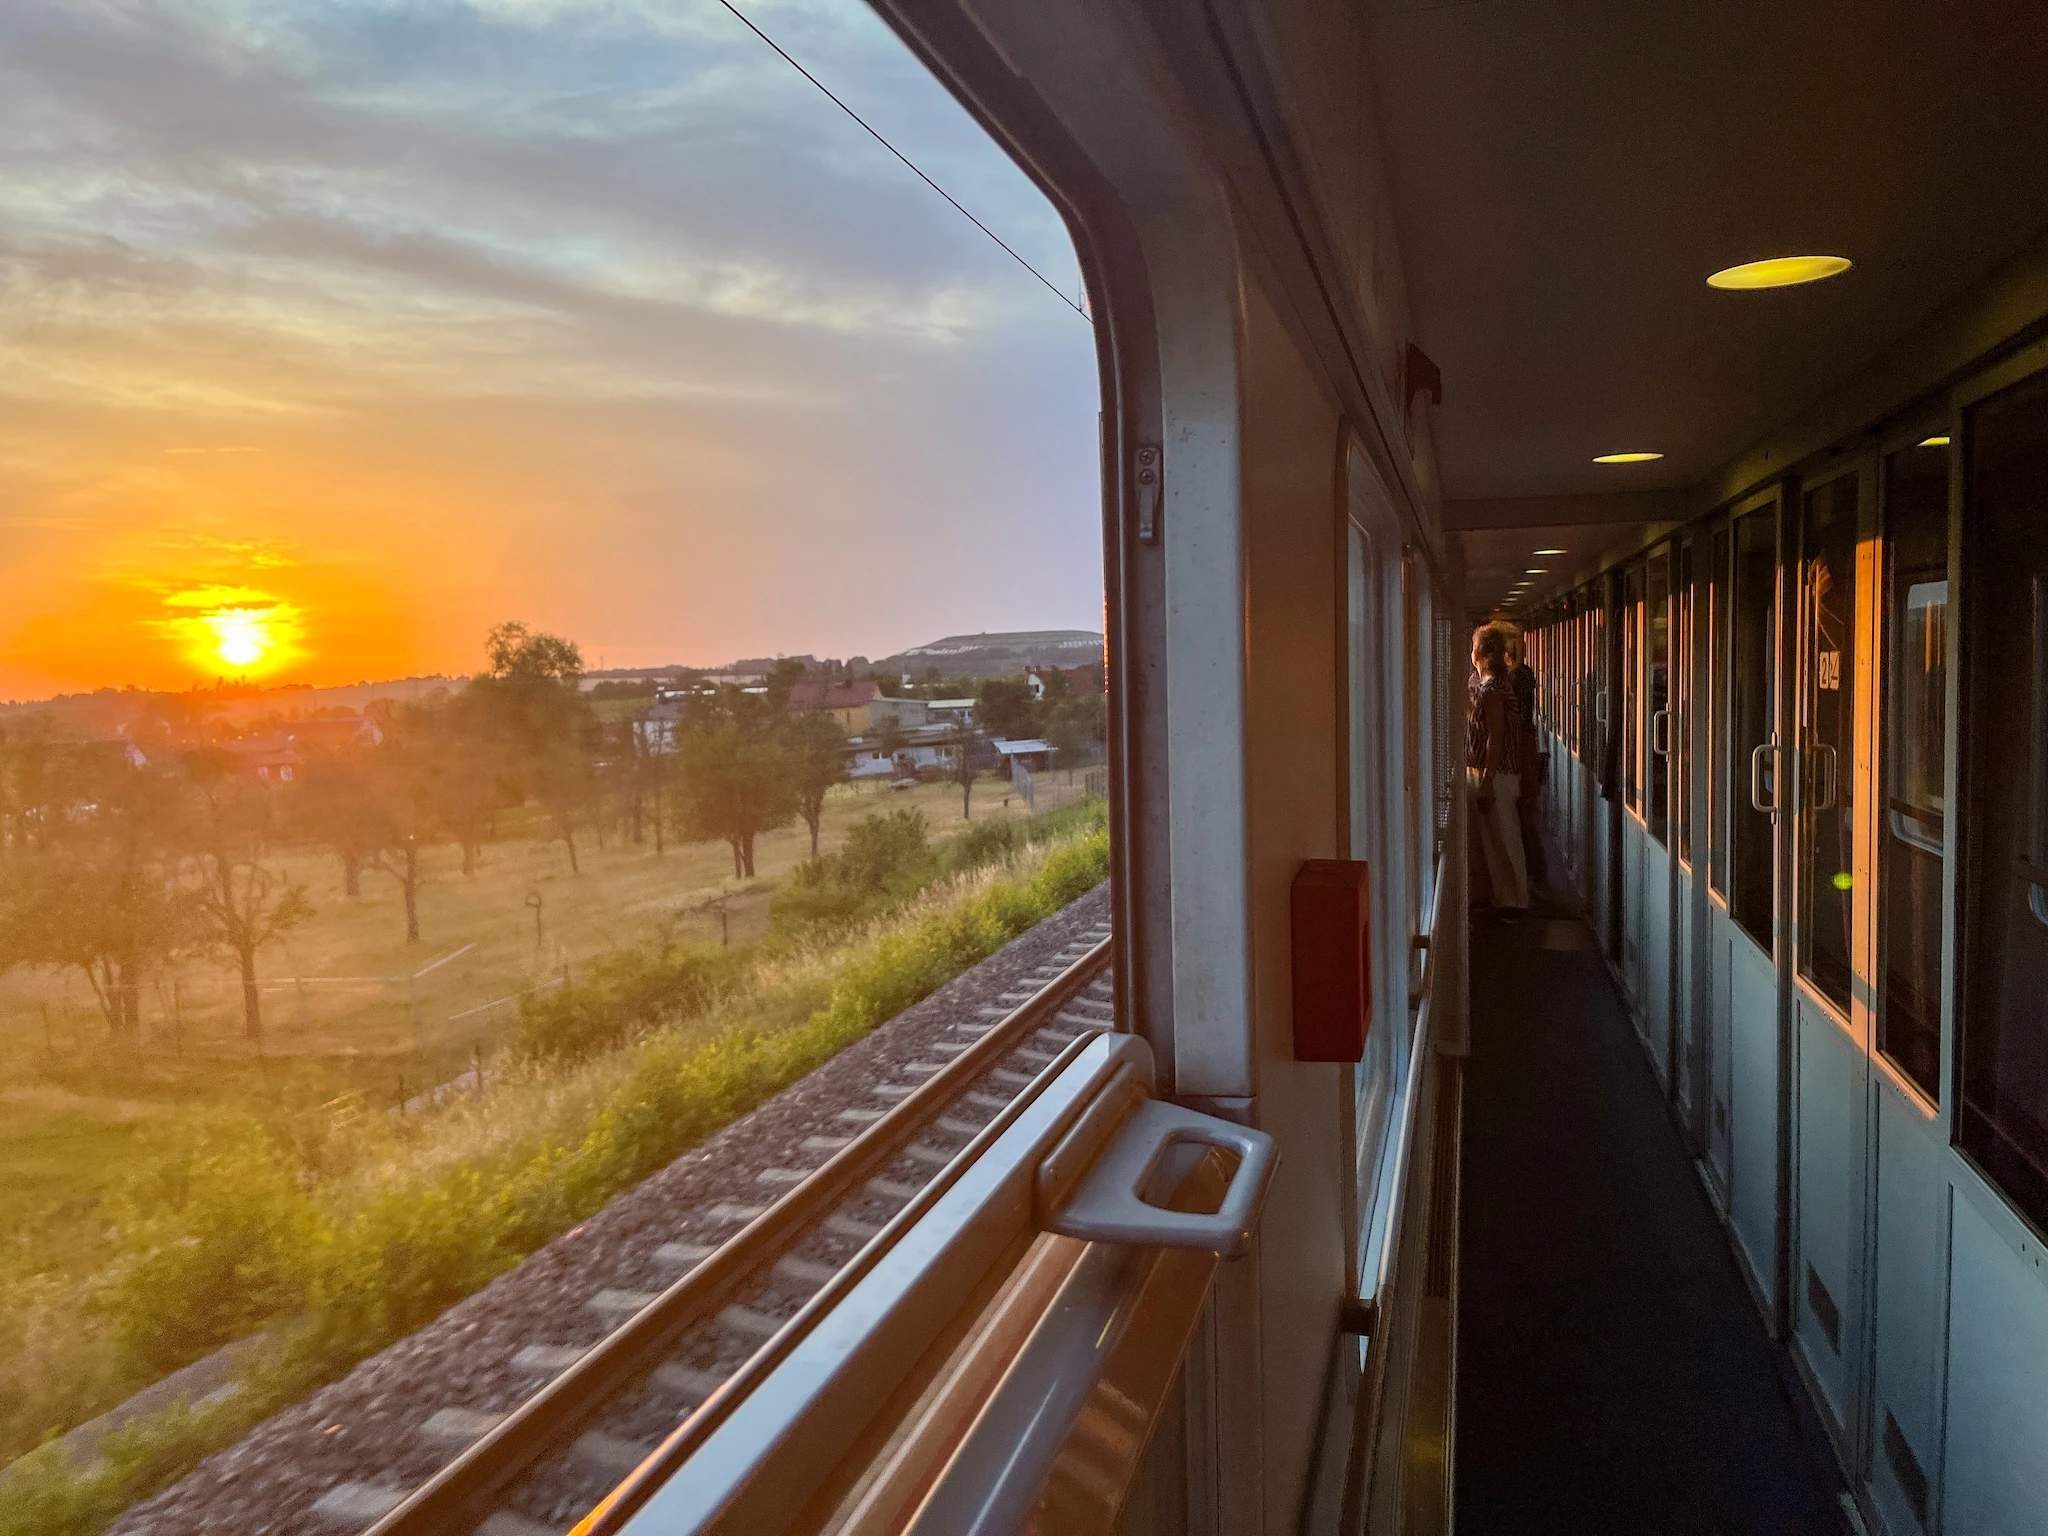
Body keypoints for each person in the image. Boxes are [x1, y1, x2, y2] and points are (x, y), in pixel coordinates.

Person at [1468, 621, 1530, 916]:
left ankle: (1516, 901)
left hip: (1498, 775)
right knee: (1495, 839)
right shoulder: (1490, 687)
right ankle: (1505, 898)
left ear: (1478, 652)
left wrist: (1488, 781)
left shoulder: (1493, 689)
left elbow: (1496, 737)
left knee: (1504, 837)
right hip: (1496, 775)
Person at [1501, 625, 1547, 888]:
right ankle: (1536, 871)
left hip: (1521, 745)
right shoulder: (1527, 674)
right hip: (1526, 741)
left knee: (1525, 814)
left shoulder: (1516, 678)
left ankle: (1535, 872)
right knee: (1528, 811)